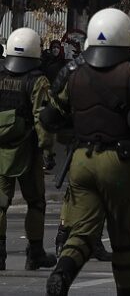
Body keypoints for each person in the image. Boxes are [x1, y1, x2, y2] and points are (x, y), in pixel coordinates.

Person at [40, 9, 130, 296]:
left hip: (80, 161)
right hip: (120, 162)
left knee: (82, 233)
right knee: (124, 241)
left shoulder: (73, 70)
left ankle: (62, 273)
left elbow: (50, 116)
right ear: (126, 35)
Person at [0, 28, 56, 271]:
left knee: (1, 203)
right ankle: (35, 252)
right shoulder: (37, 80)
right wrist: (48, 151)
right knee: (36, 202)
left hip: (1, 151)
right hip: (28, 150)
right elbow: (42, 118)